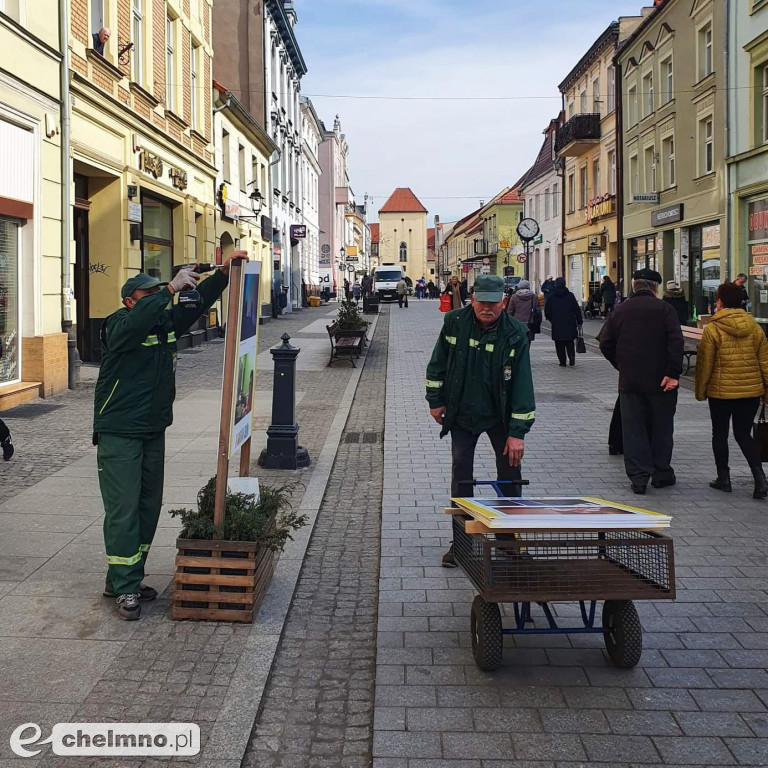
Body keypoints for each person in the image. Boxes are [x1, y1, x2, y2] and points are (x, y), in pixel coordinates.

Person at [94, 256, 242, 620]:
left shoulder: (162, 322)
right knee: (124, 508)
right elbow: (136, 324)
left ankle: (125, 577)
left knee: (148, 505)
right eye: (149, 294)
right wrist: (170, 289)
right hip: (120, 430)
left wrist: (221, 275)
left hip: (152, 427)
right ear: (130, 300)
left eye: (159, 292)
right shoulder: (119, 324)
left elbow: (196, 306)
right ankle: (125, 588)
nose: (158, 298)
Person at [425, 274, 535, 567]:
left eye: (493, 302)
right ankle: (462, 544)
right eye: (481, 302)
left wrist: (517, 432)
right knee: (461, 476)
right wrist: (435, 401)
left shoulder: (515, 333)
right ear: (472, 300)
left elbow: (523, 384)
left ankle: (508, 539)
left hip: (500, 415)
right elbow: (437, 362)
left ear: (504, 301)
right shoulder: (455, 323)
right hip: (462, 412)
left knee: (510, 474)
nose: (487, 308)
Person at [599, 268, 684, 495]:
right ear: (655, 288)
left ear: (634, 286)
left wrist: (622, 365)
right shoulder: (666, 309)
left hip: (631, 382)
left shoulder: (620, 310)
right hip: (662, 382)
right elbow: (676, 343)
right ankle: (661, 473)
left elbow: (605, 343)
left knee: (634, 430)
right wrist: (673, 373)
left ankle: (638, 478)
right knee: (662, 428)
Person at [695, 281, 768, 499]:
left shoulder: (713, 329)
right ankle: (760, 479)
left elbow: (705, 363)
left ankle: (724, 478)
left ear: (721, 302)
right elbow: (765, 361)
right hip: (750, 391)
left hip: (721, 392)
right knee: (744, 434)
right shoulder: (755, 328)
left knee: (720, 433)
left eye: (717, 299)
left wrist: (700, 391)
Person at [544, 277, 582, 367]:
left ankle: (562, 361)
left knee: (559, 344)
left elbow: (547, 311)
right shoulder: (570, 296)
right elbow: (577, 309)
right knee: (570, 342)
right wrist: (579, 320)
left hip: (557, 324)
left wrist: (552, 319)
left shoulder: (552, 297)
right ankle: (571, 356)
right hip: (570, 322)